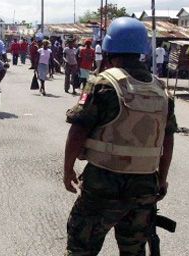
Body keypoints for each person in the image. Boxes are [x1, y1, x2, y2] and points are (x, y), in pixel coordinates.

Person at [63, 17, 177, 256]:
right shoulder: (160, 90)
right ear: (142, 50)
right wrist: (162, 179)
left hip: (103, 182)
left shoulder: (101, 83)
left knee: (81, 247)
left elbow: (78, 129)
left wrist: (68, 169)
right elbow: (167, 140)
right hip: (145, 185)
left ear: (108, 48)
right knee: (134, 250)